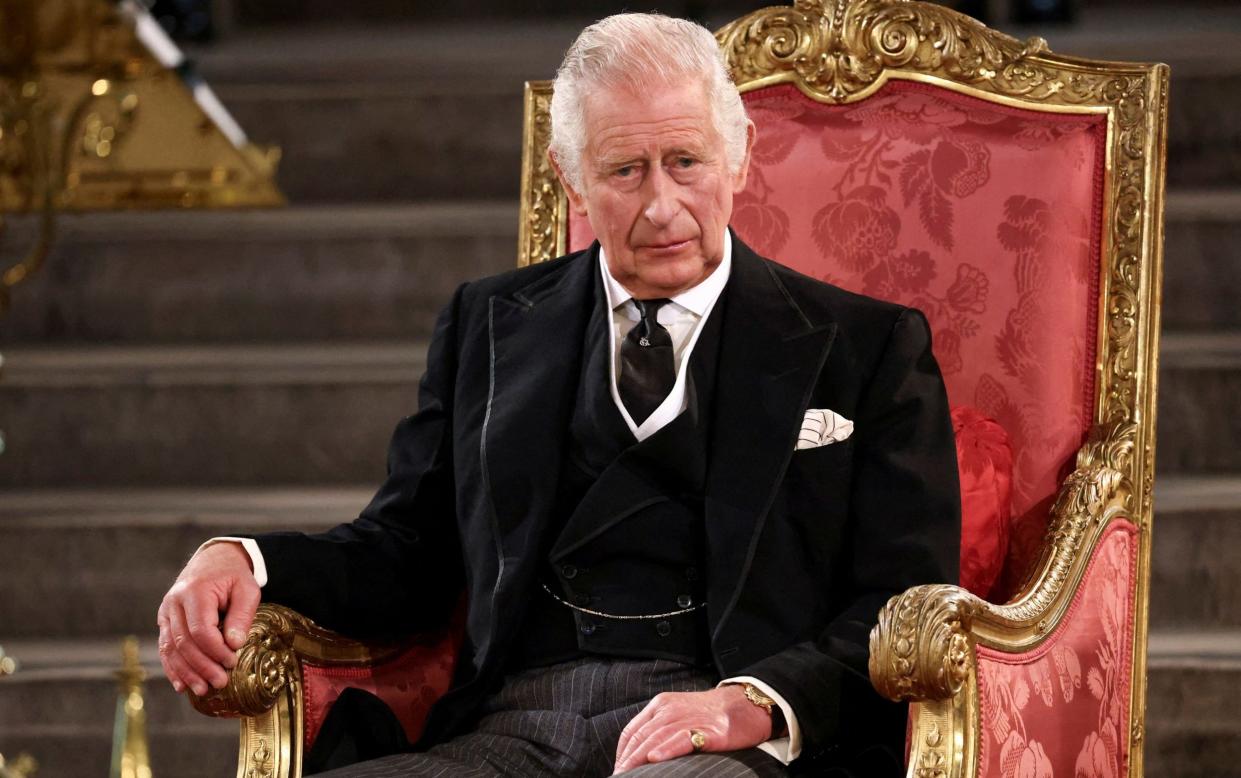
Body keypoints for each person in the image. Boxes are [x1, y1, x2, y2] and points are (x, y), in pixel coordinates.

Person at [157, 13, 959, 777]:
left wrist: (755, 704)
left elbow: (904, 601)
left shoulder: (866, 346)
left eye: (686, 160)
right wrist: (246, 558)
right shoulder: (488, 324)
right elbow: (406, 549)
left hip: (728, 738)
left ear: (740, 154)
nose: (661, 205)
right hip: (516, 727)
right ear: (569, 179)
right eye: (623, 170)